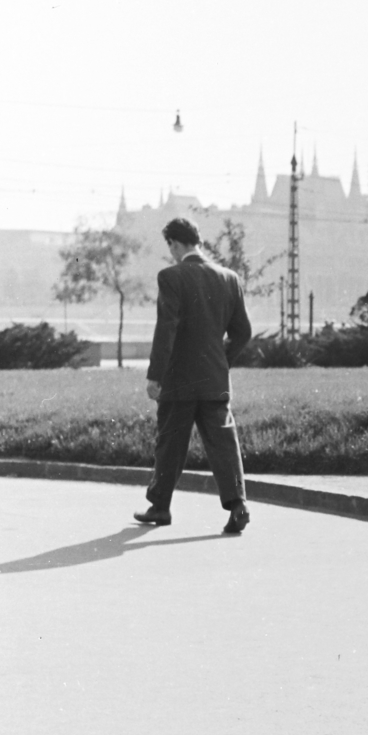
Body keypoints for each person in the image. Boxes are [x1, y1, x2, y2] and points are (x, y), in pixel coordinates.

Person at [135, 218, 253, 534]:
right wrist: (221, 361)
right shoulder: (229, 278)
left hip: (179, 379)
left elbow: (167, 329)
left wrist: (155, 375)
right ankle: (238, 505)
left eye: (170, 247)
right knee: (224, 444)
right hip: (215, 380)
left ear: (174, 243)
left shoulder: (171, 277)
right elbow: (243, 332)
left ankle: (160, 506)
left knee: (170, 444)